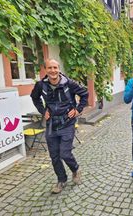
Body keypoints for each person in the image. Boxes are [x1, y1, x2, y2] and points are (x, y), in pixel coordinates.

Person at [31, 59, 88, 194]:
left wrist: (78, 109)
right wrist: (43, 111)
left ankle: (75, 169)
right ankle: (61, 179)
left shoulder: (69, 83)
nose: (53, 70)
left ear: (59, 69)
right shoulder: (41, 85)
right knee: (55, 156)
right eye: (50, 68)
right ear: (45, 70)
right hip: (51, 125)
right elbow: (34, 97)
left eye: (55, 67)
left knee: (65, 153)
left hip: (67, 123)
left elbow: (85, 94)